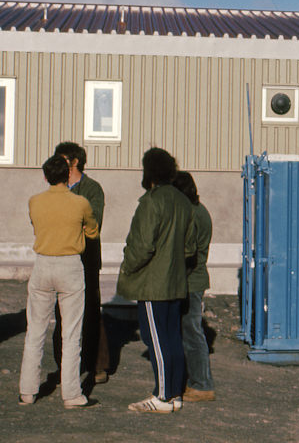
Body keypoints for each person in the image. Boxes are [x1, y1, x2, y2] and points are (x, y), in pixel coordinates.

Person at [117, 148, 196, 413]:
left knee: (156, 340)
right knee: (172, 337)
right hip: (175, 282)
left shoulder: (151, 201)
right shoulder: (183, 201)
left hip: (153, 283)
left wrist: (128, 266)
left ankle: (162, 396)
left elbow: (142, 246)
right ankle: (173, 394)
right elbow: (189, 248)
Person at [19, 154, 99, 408]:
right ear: (68, 175)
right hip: (70, 265)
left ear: (45, 176)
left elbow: (35, 225)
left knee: (35, 330)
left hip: (42, 263)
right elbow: (93, 230)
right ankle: (71, 393)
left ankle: (27, 391)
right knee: (71, 332)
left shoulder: (35, 201)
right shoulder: (81, 202)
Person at [52, 141, 110, 385]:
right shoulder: (58, 187)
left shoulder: (92, 188)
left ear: (74, 162)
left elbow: (92, 224)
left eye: (62, 159)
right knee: (61, 312)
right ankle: (64, 365)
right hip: (61, 259)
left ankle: (98, 364)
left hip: (86, 260)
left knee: (90, 311)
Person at [172, 171, 216, 402]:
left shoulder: (191, 214)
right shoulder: (200, 211)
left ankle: (201, 384)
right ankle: (196, 381)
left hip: (190, 280)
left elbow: (187, 253)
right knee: (190, 331)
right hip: (195, 279)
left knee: (191, 332)